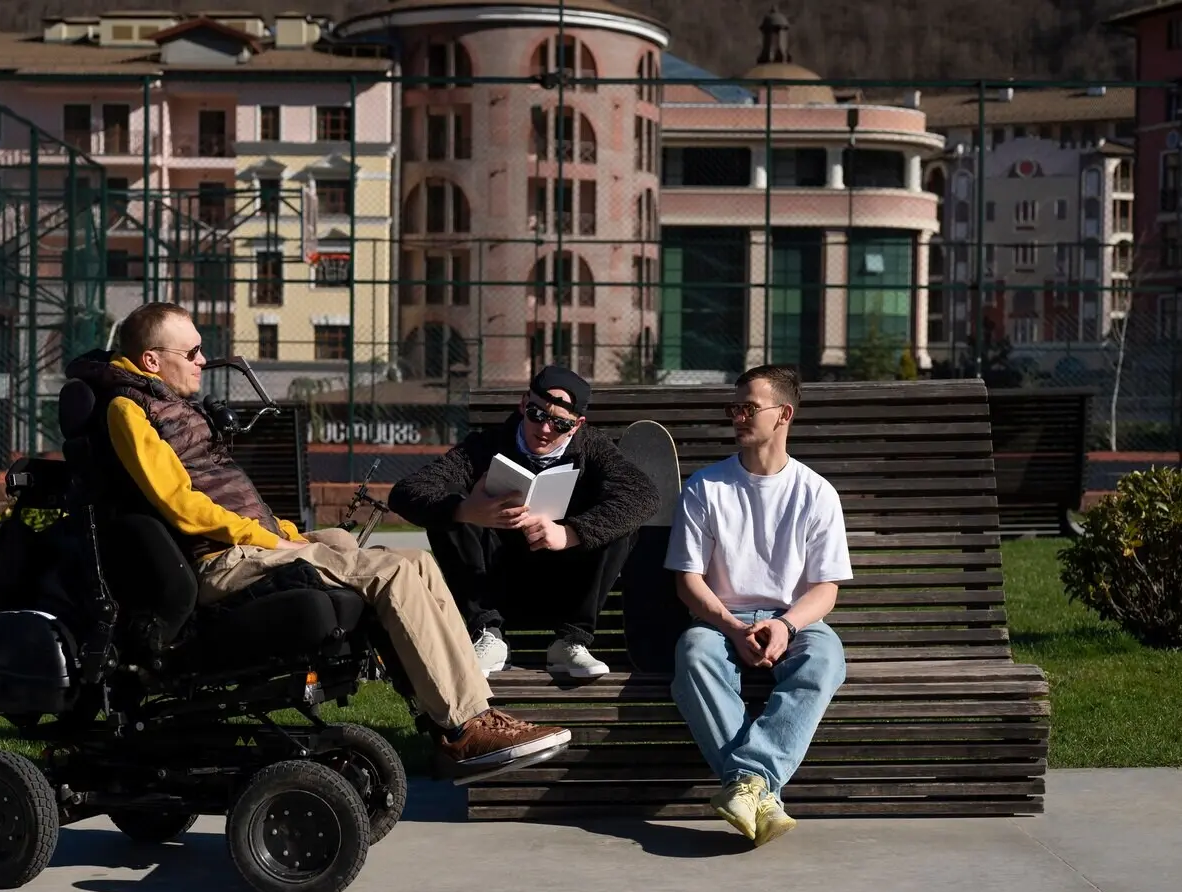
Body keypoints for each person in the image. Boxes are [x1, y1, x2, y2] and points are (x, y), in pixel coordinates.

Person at [64, 302, 572, 779]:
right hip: (222, 561)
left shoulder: (168, 404)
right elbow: (178, 504)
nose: (204, 362)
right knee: (388, 571)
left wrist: (285, 533)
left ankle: (474, 711)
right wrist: (264, 537)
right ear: (152, 359)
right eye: (192, 352)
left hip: (251, 545)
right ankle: (462, 729)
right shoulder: (128, 411)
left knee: (412, 559)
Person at [664, 364, 851, 846]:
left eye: (749, 407)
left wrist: (786, 625)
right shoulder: (705, 488)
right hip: (719, 619)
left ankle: (747, 782)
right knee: (694, 655)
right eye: (734, 407)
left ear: (783, 413)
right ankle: (760, 794)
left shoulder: (816, 493)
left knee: (826, 657)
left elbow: (825, 590)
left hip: (794, 619)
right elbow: (688, 582)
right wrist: (730, 627)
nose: (737, 416)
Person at [388, 365, 659, 679]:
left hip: (566, 584)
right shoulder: (484, 446)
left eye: (559, 423)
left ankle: (570, 640)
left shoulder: (594, 448)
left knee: (621, 520)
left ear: (576, 425)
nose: (544, 429)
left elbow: (644, 495)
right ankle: (487, 635)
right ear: (523, 404)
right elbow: (405, 492)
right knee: (447, 505)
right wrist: (467, 510)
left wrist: (570, 533)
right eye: (537, 414)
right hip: (497, 584)